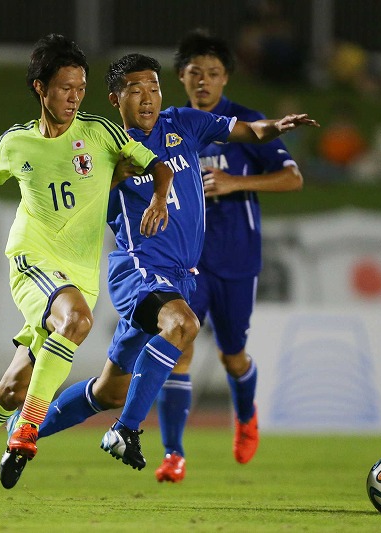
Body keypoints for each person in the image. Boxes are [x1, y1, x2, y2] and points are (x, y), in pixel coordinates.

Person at [0, 52, 317, 488]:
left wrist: (274, 128)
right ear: (115, 99)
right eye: (135, 90)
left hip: (181, 275)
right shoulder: (100, 150)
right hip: (138, 270)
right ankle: (126, 431)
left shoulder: (183, 124)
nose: (147, 98)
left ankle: (24, 430)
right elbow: (66, 205)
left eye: (154, 88)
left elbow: (247, 131)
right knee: (182, 325)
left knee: (110, 390)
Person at [0, 34, 173, 504]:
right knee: (77, 322)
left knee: (11, 387)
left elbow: (158, 166)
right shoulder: (17, 142)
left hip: (78, 276)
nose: (73, 97)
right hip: (33, 262)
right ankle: (27, 433)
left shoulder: (102, 135)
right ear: (40, 89)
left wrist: (160, 197)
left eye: (81, 88)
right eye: (65, 87)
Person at [150, 30, 304, 483]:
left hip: (236, 258)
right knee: (178, 347)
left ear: (226, 79)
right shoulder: (169, 123)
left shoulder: (245, 121)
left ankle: (245, 415)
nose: (204, 81)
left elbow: (292, 179)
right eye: (195, 73)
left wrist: (237, 183)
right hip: (185, 259)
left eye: (213, 74)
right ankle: (174, 453)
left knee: (232, 356)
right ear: (180, 77)